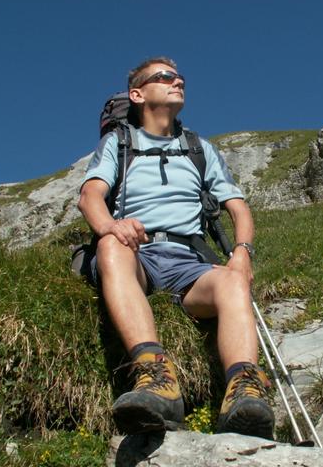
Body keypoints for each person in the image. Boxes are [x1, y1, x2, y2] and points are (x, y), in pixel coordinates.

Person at [77, 57, 274, 440]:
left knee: (233, 280)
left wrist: (242, 252)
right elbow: (90, 196)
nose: (177, 81)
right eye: (164, 76)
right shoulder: (119, 143)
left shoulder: (199, 148)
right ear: (137, 94)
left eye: (179, 76)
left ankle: (244, 391)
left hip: (190, 262)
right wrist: (110, 226)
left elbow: (238, 208)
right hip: (139, 254)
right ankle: (156, 376)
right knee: (110, 244)